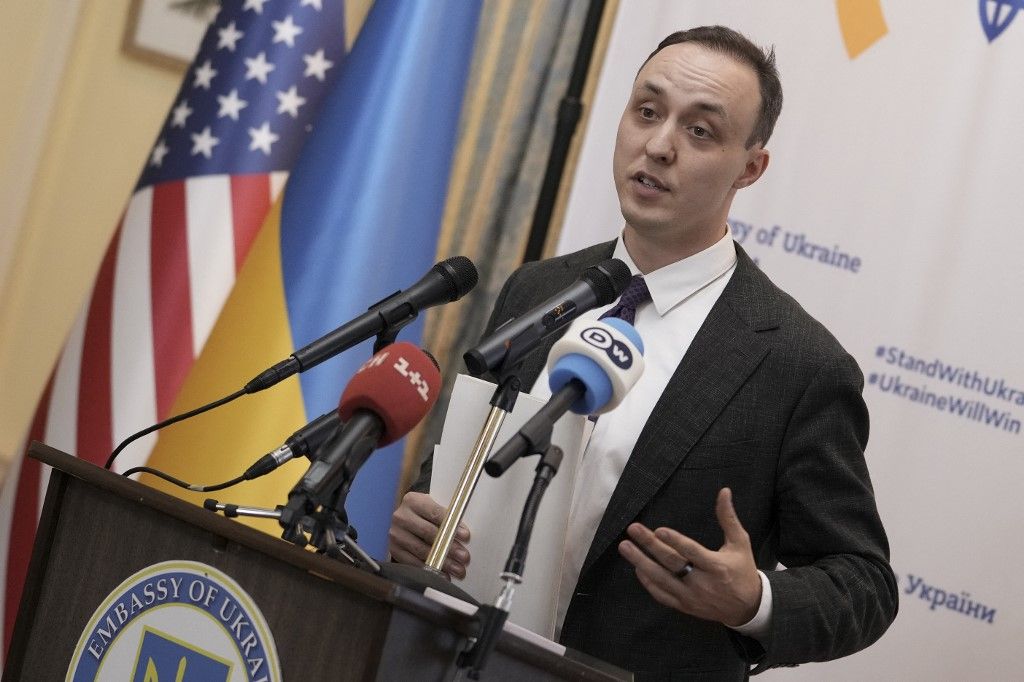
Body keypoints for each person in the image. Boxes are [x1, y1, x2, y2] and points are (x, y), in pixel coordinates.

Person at [389, 26, 897, 679]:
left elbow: (864, 585)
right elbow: (462, 470)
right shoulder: (540, 288)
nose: (658, 146)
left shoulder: (798, 364)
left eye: (701, 131)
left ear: (750, 167)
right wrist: (423, 519)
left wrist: (753, 601)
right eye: (647, 112)